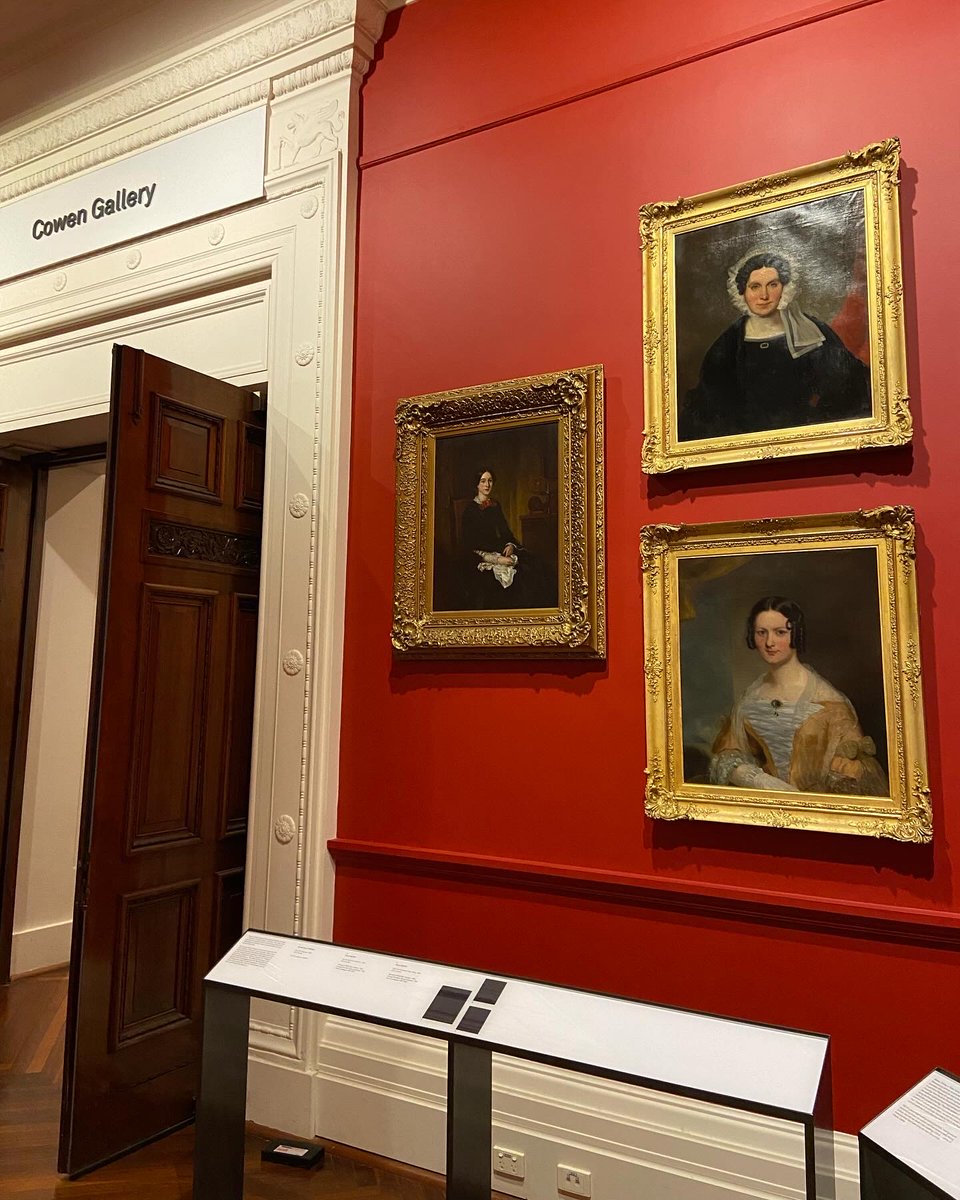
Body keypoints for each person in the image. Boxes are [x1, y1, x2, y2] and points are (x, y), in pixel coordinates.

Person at [681, 251, 872, 441]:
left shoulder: (813, 332)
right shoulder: (728, 344)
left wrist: (813, 427)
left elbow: (847, 387)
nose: (764, 295)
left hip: (806, 439)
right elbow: (709, 404)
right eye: (755, 287)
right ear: (742, 291)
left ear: (785, 288)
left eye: (772, 285)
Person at [709, 596, 887, 796]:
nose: (769, 642)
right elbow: (726, 754)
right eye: (761, 633)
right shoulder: (749, 697)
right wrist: (757, 779)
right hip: (765, 807)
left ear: (796, 634)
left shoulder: (830, 703)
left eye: (780, 633)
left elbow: (857, 772)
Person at [460, 469, 524, 609]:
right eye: (483, 481)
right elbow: (469, 546)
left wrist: (510, 545)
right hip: (480, 558)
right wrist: (497, 560)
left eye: (490, 481)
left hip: (499, 550)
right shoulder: (469, 511)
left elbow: (505, 531)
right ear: (477, 485)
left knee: (531, 569)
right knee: (493, 585)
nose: (487, 485)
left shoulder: (495, 506)